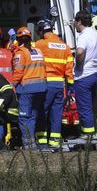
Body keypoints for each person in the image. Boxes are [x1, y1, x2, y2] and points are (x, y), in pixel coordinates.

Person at [34, 19, 75, 151]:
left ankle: (41, 141)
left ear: (40, 31)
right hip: (60, 85)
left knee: (42, 112)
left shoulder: (39, 44)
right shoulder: (65, 46)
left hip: (45, 83)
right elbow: (69, 69)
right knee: (56, 114)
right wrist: (70, 87)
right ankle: (55, 142)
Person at [70, 12, 97, 136]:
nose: (74, 24)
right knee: (89, 107)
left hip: (83, 77)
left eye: (75, 22)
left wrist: (79, 64)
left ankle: (88, 138)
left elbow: (80, 52)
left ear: (79, 21)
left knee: (84, 109)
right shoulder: (95, 35)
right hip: (94, 75)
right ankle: (90, 134)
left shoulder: (83, 36)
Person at [11, 25, 47, 150]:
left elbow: (18, 72)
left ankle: (28, 145)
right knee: (32, 117)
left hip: (27, 89)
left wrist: (12, 85)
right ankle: (32, 145)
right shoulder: (38, 51)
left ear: (18, 39)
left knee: (24, 117)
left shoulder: (20, 53)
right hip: (41, 88)